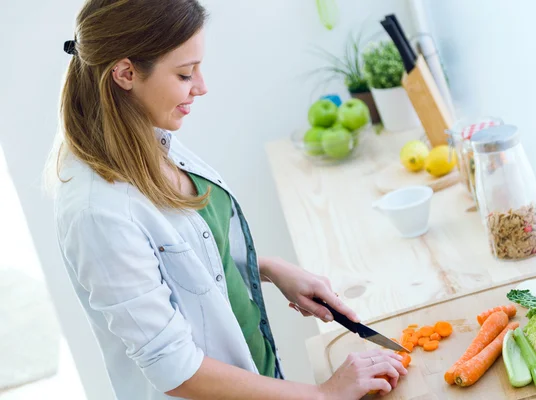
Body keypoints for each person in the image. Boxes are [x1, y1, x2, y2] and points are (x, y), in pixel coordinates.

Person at [50, 0, 407, 399]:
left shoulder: (149, 138)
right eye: (186, 73)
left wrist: (267, 269)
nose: (202, 87)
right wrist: (324, 394)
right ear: (125, 73)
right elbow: (175, 369)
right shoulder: (96, 213)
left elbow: (186, 259)